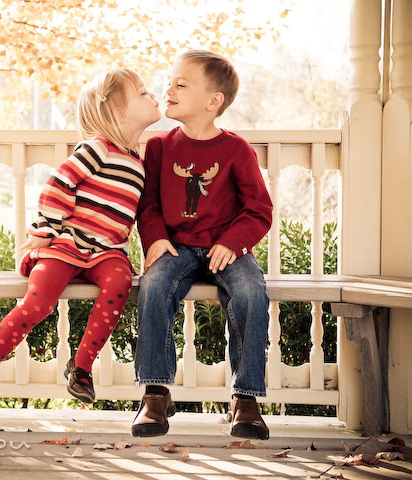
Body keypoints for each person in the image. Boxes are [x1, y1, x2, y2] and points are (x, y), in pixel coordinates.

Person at [0, 69, 160, 425]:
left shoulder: (139, 163)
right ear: (117, 112)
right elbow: (58, 185)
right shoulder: (97, 147)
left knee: (120, 282)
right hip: (66, 244)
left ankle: (81, 365)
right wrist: (45, 231)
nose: (152, 94)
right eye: (142, 92)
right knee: (38, 305)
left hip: (106, 250)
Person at [131, 50, 273, 439]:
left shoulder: (236, 150)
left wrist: (233, 242)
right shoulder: (159, 148)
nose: (169, 89)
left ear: (214, 101)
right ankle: (155, 392)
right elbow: (149, 202)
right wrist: (155, 238)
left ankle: (245, 398)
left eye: (181, 84)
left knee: (249, 291)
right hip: (175, 247)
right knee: (155, 285)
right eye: (169, 82)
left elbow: (259, 208)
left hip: (225, 248)